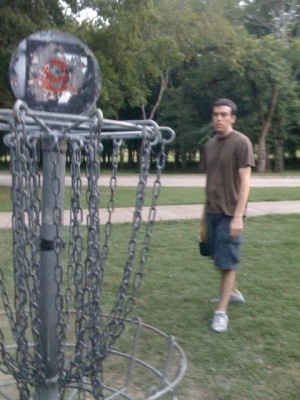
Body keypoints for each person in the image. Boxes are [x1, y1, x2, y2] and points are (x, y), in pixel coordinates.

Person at [201, 98, 255, 333]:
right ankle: (233, 292)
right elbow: (210, 182)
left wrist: (237, 216)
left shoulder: (242, 142)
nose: (219, 118)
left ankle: (221, 312)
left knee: (227, 261)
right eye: (216, 114)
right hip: (212, 211)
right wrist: (203, 215)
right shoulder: (209, 145)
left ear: (233, 118)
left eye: (224, 115)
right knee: (218, 257)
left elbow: (246, 182)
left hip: (230, 213)